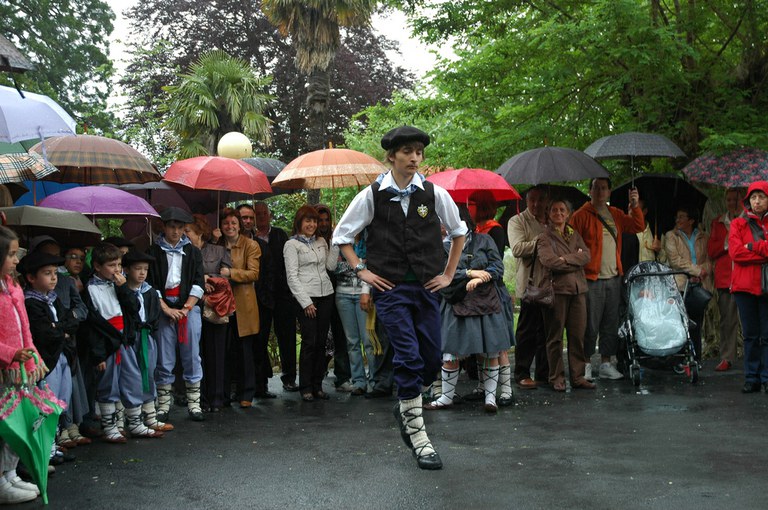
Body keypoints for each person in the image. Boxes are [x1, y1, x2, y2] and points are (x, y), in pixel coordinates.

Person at [333, 126, 467, 470]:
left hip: (427, 287)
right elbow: (342, 236)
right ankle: (420, 439)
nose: (414, 158)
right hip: (391, 290)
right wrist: (361, 270)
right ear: (391, 156)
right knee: (407, 357)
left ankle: (405, 407)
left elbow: (458, 233)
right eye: (407, 152)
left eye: (419, 152)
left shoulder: (434, 193)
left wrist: (448, 274)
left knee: (431, 359)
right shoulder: (372, 195)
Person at [424, 206, 512, 412]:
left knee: (490, 350)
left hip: (486, 302)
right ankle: (446, 397)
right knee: (451, 352)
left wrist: (482, 278)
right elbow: (439, 274)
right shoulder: (440, 247)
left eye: (448, 219)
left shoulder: (484, 240)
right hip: (456, 301)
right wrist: (470, 273)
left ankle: (490, 399)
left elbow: (498, 267)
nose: (444, 224)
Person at [84, 243, 164, 442]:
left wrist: (123, 288)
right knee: (108, 384)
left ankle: (135, 423)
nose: (117, 270)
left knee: (132, 379)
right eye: (111, 265)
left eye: (119, 265)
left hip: (124, 340)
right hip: (106, 343)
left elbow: (134, 307)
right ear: (97, 266)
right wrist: (99, 354)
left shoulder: (119, 285)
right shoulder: (89, 288)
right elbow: (92, 325)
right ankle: (110, 427)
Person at [571, 177, 644, 380]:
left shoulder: (615, 214)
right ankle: (585, 363)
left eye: (604, 188)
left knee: (610, 323)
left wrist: (635, 206)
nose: (600, 191)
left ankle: (605, 363)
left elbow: (637, 226)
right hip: (591, 278)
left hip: (614, 277)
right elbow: (569, 239)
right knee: (590, 324)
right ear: (590, 191)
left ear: (609, 192)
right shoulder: (580, 215)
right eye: (596, 188)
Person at [146, 207, 205, 422]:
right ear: (164, 227)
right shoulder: (153, 252)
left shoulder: (193, 252)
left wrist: (186, 308)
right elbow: (150, 284)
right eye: (172, 227)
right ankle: (163, 405)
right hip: (163, 308)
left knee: (192, 355)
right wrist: (166, 309)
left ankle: (194, 404)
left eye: (181, 228)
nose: (176, 232)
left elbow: (199, 282)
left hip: (188, 308)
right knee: (164, 357)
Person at [19, 252, 80, 453]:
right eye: (47, 273)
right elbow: (44, 333)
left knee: (61, 398)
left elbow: (72, 322)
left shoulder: (53, 299)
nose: (54, 278)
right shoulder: (31, 303)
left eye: (55, 273)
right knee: (46, 400)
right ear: (31, 277)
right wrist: (61, 330)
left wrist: (58, 327)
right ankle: (46, 448)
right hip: (47, 359)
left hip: (62, 355)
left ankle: (54, 440)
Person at [0, 226, 44, 503]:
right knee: (3, 425)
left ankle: (10, 473)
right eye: (11, 254)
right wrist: (11, 354)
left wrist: (33, 355)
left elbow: (24, 327)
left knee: (19, 423)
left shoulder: (13, 285)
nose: (17, 260)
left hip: (19, 370)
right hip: (4, 369)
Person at [534, 199, 594, 391]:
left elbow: (586, 255)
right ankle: (556, 377)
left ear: (568, 213)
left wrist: (565, 259)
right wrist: (575, 260)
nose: (558, 213)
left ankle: (578, 377)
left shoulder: (574, 233)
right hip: (557, 292)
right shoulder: (544, 237)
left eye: (562, 210)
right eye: (554, 210)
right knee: (555, 337)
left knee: (577, 336)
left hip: (578, 291)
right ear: (549, 213)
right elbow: (549, 261)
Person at [284, 205, 338, 402]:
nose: (312, 224)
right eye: (308, 221)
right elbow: (292, 277)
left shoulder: (321, 241)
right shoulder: (291, 245)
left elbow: (331, 265)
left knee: (322, 342)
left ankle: (317, 385)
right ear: (299, 222)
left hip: (326, 295)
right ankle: (305, 386)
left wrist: (335, 242)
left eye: (314, 221)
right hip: (306, 297)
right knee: (310, 342)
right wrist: (306, 302)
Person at [467, 190, 514, 405]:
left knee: (498, 342)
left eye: (472, 204)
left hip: (493, 292)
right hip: (477, 293)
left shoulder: (495, 231)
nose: (469, 208)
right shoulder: (474, 231)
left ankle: (506, 391)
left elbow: (495, 264)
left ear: (482, 206)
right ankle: (483, 386)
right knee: (481, 342)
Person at [122, 250, 175, 433]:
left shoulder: (150, 291)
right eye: (138, 269)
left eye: (145, 269)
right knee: (132, 376)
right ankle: (133, 419)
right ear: (126, 270)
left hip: (147, 336)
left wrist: (149, 329)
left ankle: (150, 416)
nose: (142, 273)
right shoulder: (122, 291)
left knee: (149, 374)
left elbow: (153, 315)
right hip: (130, 337)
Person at [185, 215, 232, 411]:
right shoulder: (183, 253)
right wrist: (199, 280)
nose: (184, 234)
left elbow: (227, 277)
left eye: (187, 230)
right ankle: (200, 399)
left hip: (216, 308)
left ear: (199, 232)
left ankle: (217, 397)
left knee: (217, 353)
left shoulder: (219, 250)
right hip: (192, 306)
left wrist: (208, 278)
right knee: (197, 354)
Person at [217, 208, 262, 408]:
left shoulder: (250, 245)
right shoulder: (216, 245)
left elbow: (253, 273)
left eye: (233, 223)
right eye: (226, 223)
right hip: (220, 303)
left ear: (239, 225)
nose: (230, 227)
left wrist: (231, 273)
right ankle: (224, 393)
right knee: (224, 350)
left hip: (243, 303)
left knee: (245, 351)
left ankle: (247, 393)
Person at [252, 201, 298, 392]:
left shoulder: (280, 235)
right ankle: (261, 381)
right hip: (260, 294)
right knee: (260, 337)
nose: (262, 217)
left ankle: (289, 377)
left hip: (282, 293)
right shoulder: (251, 238)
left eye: (264, 213)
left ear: (270, 215)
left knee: (287, 336)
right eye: (258, 214)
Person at [508, 185, 550, 389]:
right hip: (529, 285)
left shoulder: (552, 220)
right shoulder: (517, 221)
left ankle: (544, 373)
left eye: (540, 200)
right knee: (527, 331)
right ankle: (522, 372)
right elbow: (517, 248)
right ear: (526, 201)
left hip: (551, 284)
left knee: (547, 330)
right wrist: (541, 241)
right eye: (532, 199)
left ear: (546, 201)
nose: (536, 204)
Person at [728, 181, 768, 393]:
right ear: (748, 201)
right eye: (753, 197)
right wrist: (763, 253)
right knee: (750, 335)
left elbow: (745, 251)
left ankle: (766, 377)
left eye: (761, 197)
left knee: (767, 335)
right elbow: (736, 253)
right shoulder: (738, 223)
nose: (757, 201)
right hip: (744, 287)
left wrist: (752, 246)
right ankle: (752, 377)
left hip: (766, 286)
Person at [664, 205, 712, 364]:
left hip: (699, 285)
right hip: (680, 284)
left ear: (691, 220)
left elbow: (709, 260)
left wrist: (702, 272)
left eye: (681, 217)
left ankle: (696, 358)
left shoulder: (703, 236)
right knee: (680, 322)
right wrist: (696, 271)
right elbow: (675, 260)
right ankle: (679, 359)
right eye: (677, 217)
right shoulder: (672, 236)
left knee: (696, 322)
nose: (677, 220)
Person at [316, 203, 353, 392]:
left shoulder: (337, 239)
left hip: (338, 290)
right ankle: (317, 373)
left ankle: (343, 376)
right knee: (319, 335)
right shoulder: (311, 241)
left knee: (340, 335)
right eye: (320, 220)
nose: (323, 224)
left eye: (326, 220)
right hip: (318, 293)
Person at [708, 188, 745, 371]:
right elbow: (711, 250)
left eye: (735, 199)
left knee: (751, 321)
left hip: (746, 277)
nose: (731, 203)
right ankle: (727, 357)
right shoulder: (719, 222)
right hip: (725, 278)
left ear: (742, 201)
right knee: (727, 320)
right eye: (728, 200)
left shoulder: (749, 221)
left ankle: (755, 357)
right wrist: (726, 242)